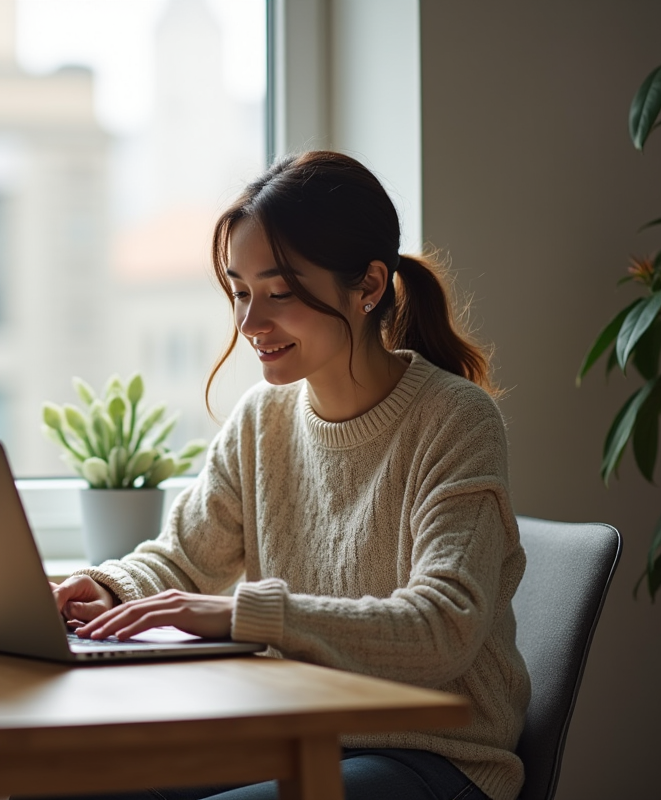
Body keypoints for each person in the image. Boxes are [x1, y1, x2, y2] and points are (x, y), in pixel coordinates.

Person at [46, 151, 530, 800]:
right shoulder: (262, 420)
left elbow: (443, 628)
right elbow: (185, 562)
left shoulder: (455, 421)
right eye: (241, 292)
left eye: (279, 293)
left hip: (436, 758)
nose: (249, 324)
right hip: (298, 736)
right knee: (61, 785)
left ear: (368, 287)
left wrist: (245, 614)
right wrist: (107, 588)